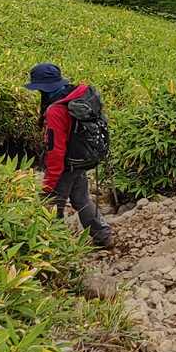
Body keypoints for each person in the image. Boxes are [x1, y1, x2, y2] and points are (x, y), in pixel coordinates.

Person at [25, 62, 114, 249]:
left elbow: (55, 151)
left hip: (65, 166)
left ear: (43, 88)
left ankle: (54, 247)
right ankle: (103, 236)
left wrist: (49, 183)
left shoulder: (56, 111)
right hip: (80, 160)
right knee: (82, 199)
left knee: (51, 206)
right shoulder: (75, 96)